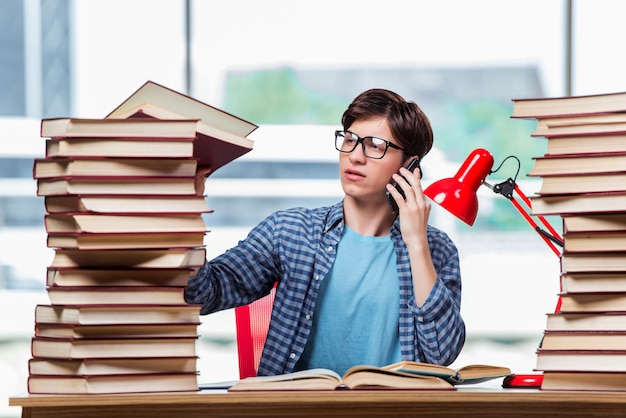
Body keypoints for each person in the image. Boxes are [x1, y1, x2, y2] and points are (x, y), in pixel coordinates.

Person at [186, 88, 465, 377]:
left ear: (410, 166)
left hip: (395, 410)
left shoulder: (436, 249)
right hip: (301, 409)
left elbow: (441, 354)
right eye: (350, 140)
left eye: (376, 146)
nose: (355, 157)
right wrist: (185, 217)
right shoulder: (291, 232)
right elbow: (204, 293)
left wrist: (417, 243)